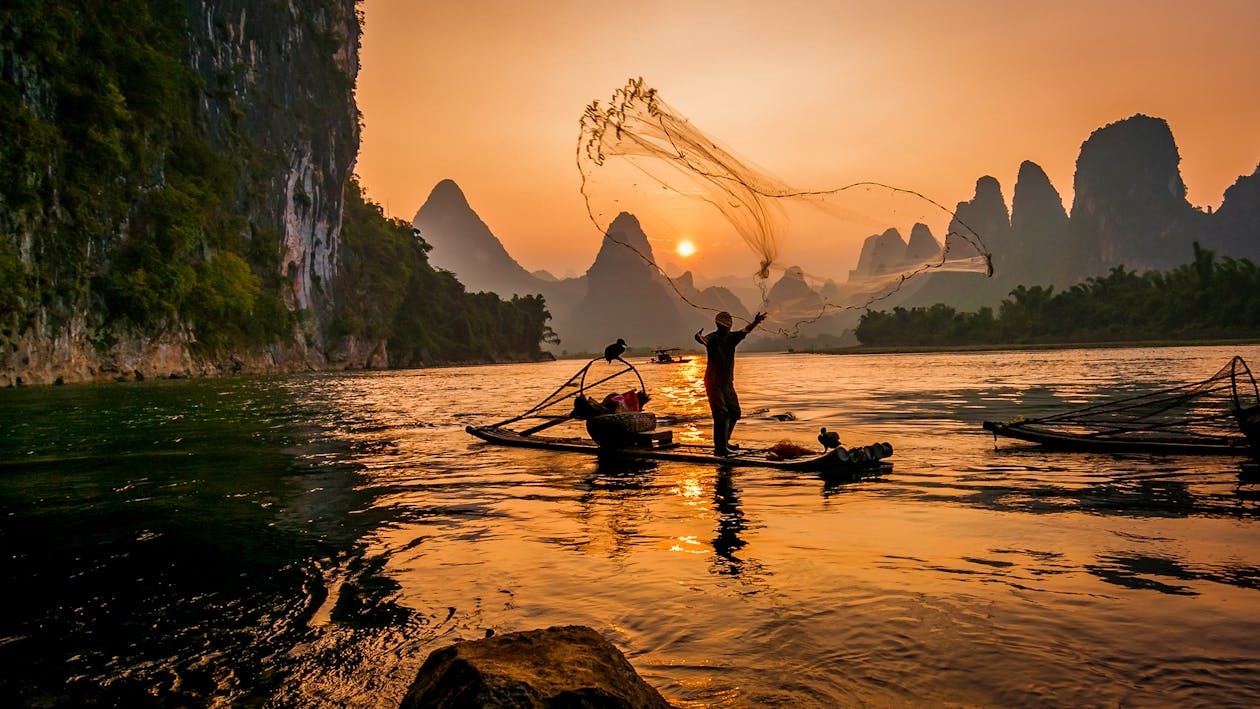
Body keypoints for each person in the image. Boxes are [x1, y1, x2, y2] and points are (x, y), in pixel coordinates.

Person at [695, 310, 767, 456]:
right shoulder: (713, 338)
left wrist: (755, 322)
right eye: (723, 327)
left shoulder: (733, 337)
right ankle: (720, 448)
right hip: (713, 382)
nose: (725, 329)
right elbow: (703, 340)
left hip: (727, 382)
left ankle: (724, 441)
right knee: (720, 414)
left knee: (734, 412)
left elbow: (746, 330)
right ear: (719, 326)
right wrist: (698, 337)